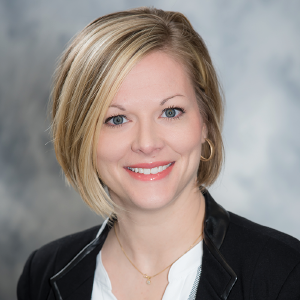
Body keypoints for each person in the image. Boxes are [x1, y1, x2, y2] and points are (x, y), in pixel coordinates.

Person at [17, 7, 300, 300]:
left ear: (205, 123)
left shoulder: (283, 272)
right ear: (81, 136)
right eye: (117, 119)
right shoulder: (42, 274)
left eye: (170, 112)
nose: (147, 143)